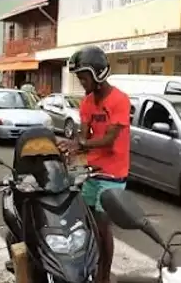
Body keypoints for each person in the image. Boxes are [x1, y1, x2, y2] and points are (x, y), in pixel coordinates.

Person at [57, 45, 131, 283]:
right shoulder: (87, 103)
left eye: (83, 76)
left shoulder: (119, 100)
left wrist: (81, 145)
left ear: (98, 73)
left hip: (113, 175)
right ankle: (89, 267)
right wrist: (70, 152)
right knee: (86, 224)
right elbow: (83, 136)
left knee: (101, 227)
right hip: (91, 171)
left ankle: (104, 277)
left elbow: (109, 140)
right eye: (78, 77)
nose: (81, 82)